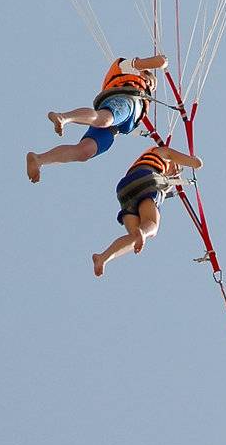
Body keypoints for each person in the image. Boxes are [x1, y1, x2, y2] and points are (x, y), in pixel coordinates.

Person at [25, 53, 167, 183]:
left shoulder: (141, 105)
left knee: (84, 151)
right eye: (149, 82)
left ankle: (39, 159)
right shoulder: (127, 67)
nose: (150, 87)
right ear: (143, 73)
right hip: (124, 101)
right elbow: (157, 62)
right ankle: (63, 117)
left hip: (116, 128)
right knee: (104, 119)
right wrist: (162, 63)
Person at [92, 142, 202, 277]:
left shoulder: (148, 163)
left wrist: (170, 183)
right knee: (152, 226)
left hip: (124, 189)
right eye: (177, 167)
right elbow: (183, 159)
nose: (175, 171)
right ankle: (143, 233)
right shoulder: (161, 153)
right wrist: (194, 161)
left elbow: (159, 190)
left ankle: (103, 257)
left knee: (133, 238)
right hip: (146, 180)